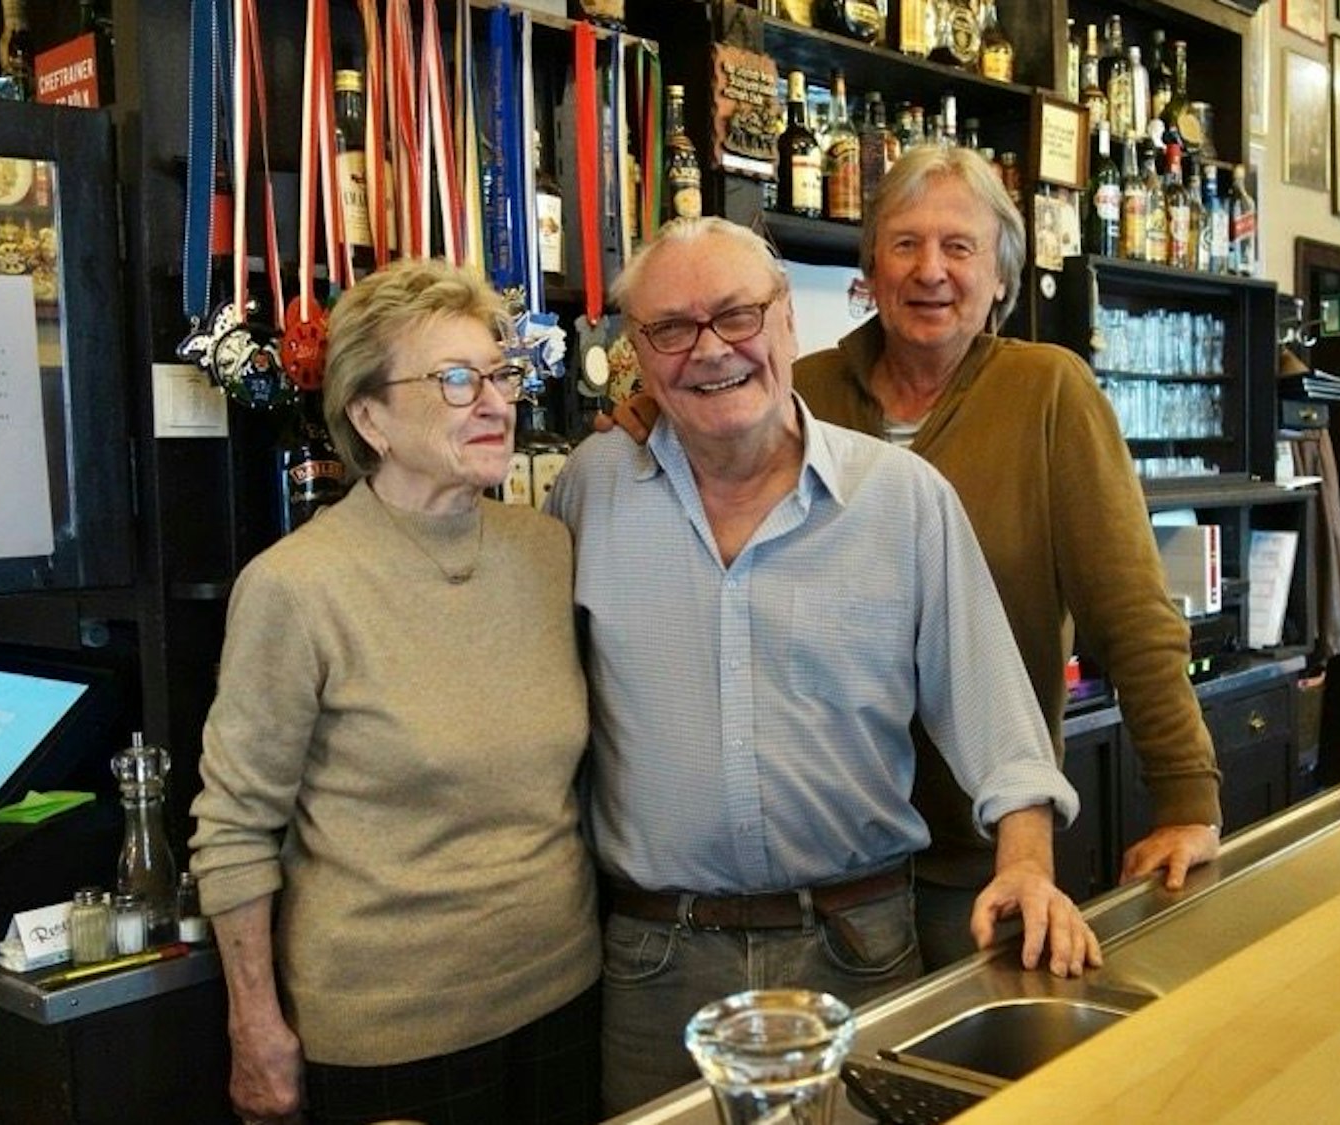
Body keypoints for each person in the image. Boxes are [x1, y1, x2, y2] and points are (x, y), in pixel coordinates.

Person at [605, 146, 1223, 967]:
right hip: (838, 863)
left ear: (1001, 275)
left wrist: (1186, 797)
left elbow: (1134, 616)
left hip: (988, 845)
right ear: (870, 268)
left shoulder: (1049, 391)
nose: (930, 269)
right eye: (904, 244)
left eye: (959, 247)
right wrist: (655, 404)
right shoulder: (798, 391)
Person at [548, 216, 1099, 1113]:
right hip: (652, 960)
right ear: (636, 356)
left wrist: (1029, 865)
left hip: (857, 946)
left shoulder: (901, 498)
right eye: (672, 329)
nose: (710, 350)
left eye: (736, 315)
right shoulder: (589, 491)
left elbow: (1001, 723)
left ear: (787, 326)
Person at [189, 259, 600, 1125]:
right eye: (456, 379)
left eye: (500, 373)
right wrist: (253, 1025)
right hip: (390, 1032)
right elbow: (234, 827)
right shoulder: (297, 586)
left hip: (565, 991)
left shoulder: (545, 549)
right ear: (369, 415)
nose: (496, 402)